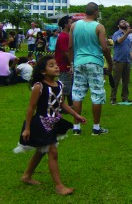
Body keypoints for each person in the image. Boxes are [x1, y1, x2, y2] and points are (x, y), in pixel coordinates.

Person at [13, 55, 86, 196]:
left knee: (41, 151)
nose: (56, 67)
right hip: (41, 123)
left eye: (56, 64)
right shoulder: (39, 87)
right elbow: (31, 108)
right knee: (52, 151)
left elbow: (61, 103)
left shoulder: (59, 85)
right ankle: (59, 186)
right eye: (51, 65)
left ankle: (27, 176)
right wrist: (27, 128)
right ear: (43, 71)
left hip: (53, 122)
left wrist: (75, 115)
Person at [69, 2, 113, 136]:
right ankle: (96, 127)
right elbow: (105, 48)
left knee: (77, 94)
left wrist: (72, 63)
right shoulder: (99, 27)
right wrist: (110, 64)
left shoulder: (74, 26)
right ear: (96, 12)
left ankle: (76, 127)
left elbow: (70, 46)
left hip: (78, 62)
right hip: (94, 62)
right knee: (97, 94)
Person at [111, 18, 132, 104]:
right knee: (116, 81)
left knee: (126, 81)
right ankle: (113, 98)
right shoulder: (117, 34)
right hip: (118, 60)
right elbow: (119, 41)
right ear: (118, 25)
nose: (124, 23)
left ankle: (125, 98)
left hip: (127, 60)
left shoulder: (128, 35)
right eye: (122, 22)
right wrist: (127, 33)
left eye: (125, 21)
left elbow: (129, 49)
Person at [55, 15, 73, 106]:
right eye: (71, 22)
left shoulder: (67, 35)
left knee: (69, 86)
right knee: (64, 87)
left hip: (67, 65)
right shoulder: (63, 36)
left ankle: (70, 105)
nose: (72, 24)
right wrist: (72, 64)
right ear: (66, 24)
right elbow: (65, 52)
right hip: (64, 65)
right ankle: (61, 106)